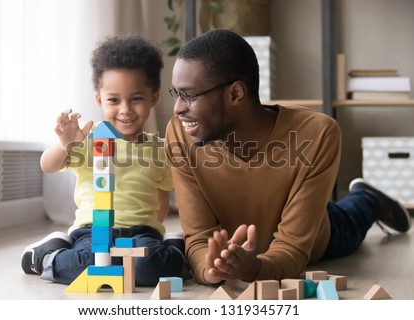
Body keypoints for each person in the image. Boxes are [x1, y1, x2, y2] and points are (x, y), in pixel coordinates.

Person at [164, 29, 412, 286]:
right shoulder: (180, 134)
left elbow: (294, 249)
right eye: (176, 94)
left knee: (350, 219)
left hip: (314, 237)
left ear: (236, 94)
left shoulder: (316, 133)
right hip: (263, 225)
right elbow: (198, 238)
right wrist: (211, 269)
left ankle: (368, 198)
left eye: (189, 95)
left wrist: (254, 268)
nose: (178, 108)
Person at [21, 35, 187, 287]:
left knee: (150, 268)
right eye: (113, 100)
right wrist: (66, 146)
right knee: (86, 265)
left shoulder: (159, 148)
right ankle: (48, 254)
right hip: (92, 232)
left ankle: (172, 247)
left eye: (136, 98)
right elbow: (47, 165)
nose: (125, 109)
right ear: (99, 99)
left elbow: (161, 195)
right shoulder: (88, 138)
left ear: (153, 98)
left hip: (141, 232)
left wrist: (156, 230)